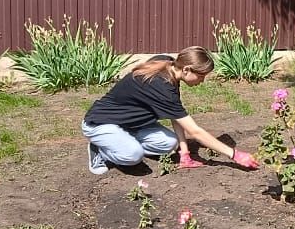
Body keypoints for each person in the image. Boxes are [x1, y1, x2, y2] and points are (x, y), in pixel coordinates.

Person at [81, 46, 259, 174]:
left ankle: (120, 142)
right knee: (133, 155)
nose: (202, 81)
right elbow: (195, 131)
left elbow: (176, 116)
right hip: (100, 123)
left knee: (169, 144)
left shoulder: (166, 62)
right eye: (201, 76)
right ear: (187, 69)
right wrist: (234, 154)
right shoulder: (161, 87)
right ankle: (101, 149)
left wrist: (185, 153)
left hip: (130, 125)